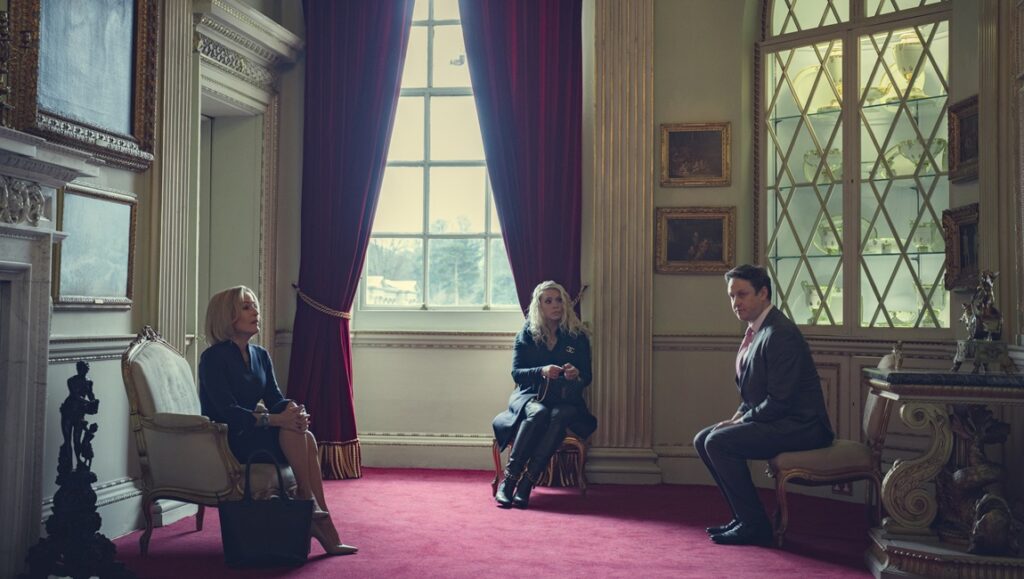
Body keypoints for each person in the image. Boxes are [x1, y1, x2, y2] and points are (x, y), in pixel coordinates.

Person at [199, 286, 357, 556]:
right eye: (247, 307)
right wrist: (276, 419)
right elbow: (228, 412)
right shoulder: (213, 358)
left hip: (258, 432)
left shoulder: (260, 355)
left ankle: (314, 511)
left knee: (302, 432)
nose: (256, 312)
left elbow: (275, 398)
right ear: (227, 316)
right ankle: (313, 513)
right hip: (231, 438)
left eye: (255, 306)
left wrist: (294, 411)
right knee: (294, 432)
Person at [694, 265, 834, 546]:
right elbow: (754, 396)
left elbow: (780, 401)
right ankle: (743, 516)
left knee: (718, 442)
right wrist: (737, 416)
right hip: (779, 418)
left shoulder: (780, 333)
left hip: (802, 426)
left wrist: (741, 422)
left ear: (763, 293)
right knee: (703, 439)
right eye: (732, 296)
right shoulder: (758, 330)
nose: (736, 303)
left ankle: (754, 525)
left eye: (742, 294)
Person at [492, 281, 598, 509]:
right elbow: (517, 374)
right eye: (548, 301)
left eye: (559, 300)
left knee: (561, 414)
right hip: (530, 395)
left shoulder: (577, 336)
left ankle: (526, 484)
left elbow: (586, 377)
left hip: (565, 397)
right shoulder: (527, 334)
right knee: (539, 413)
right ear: (538, 305)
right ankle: (509, 482)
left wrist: (575, 374)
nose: (555, 305)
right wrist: (541, 371)